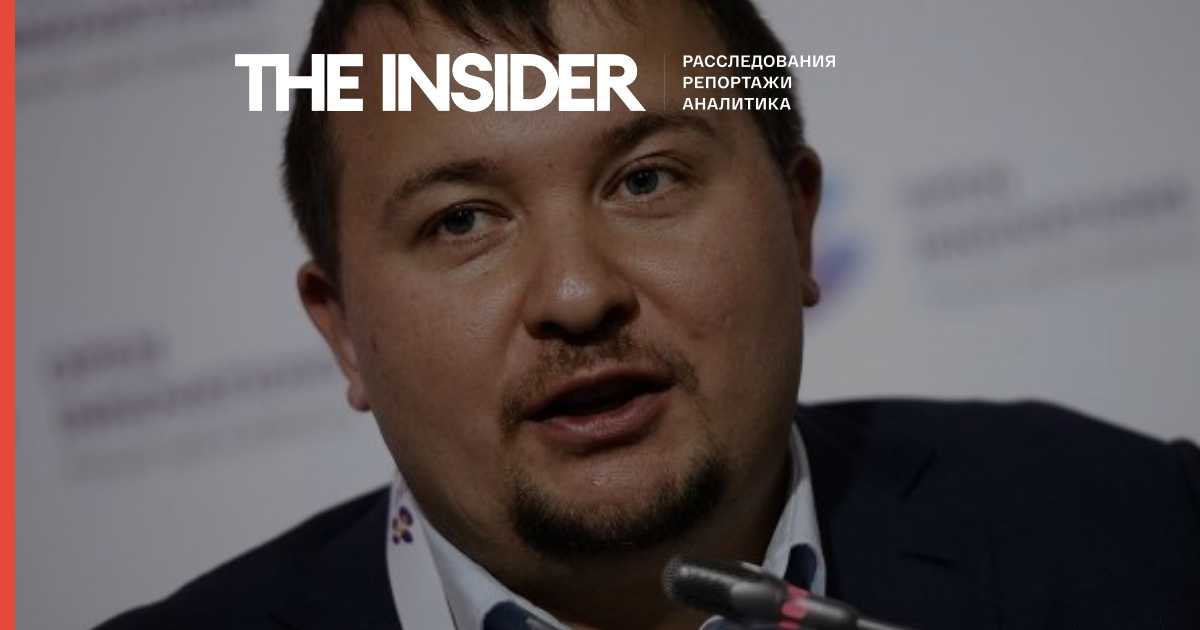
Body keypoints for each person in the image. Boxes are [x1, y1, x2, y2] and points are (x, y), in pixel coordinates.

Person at [96, 1, 1200, 629]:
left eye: (646, 180)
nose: (577, 295)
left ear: (798, 224)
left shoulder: (1146, 537)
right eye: (463, 220)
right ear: (342, 330)